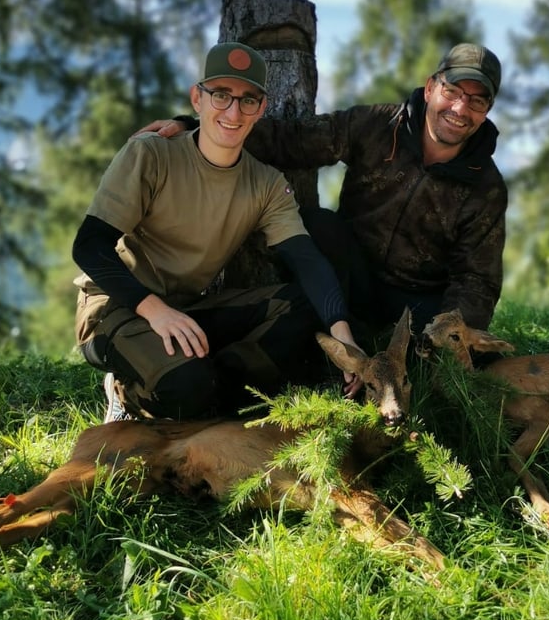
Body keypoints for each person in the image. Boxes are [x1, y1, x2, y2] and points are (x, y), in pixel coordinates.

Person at [73, 41, 361, 422]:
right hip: (115, 307)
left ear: (260, 109)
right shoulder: (152, 154)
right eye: (221, 96)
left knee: (304, 306)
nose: (233, 111)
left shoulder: (266, 184)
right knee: (188, 388)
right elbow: (89, 246)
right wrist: (155, 311)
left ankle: (209, 384)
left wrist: (343, 336)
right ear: (198, 98)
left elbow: (307, 262)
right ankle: (126, 393)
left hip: (187, 309)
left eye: (247, 100)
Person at [143, 43, 507, 336]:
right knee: (317, 225)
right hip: (350, 275)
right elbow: (295, 140)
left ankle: (389, 353)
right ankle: (334, 332)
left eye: (477, 101)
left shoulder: (485, 186)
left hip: (414, 303)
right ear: (431, 88)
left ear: (487, 110)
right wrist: (197, 125)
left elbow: (477, 280)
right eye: (453, 91)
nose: (461, 108)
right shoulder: (378, 125)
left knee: (433, 348)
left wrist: (447, 338)